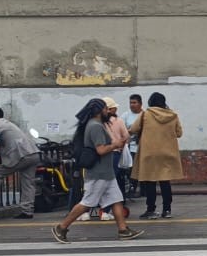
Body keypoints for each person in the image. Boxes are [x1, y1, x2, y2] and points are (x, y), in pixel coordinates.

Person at [52, 98, 143, 243]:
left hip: (106, 172)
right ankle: (61, 227)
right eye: (105, 109)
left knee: (116, 200)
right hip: (98, 173)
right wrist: (116, 144)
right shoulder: (95, 126)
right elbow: (100, 150)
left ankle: (123, 230)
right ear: (98, 111)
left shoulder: (96, 124)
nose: (108, 111)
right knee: (87, 203)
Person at [130, 92, 183, 219]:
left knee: (150, 182)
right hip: (167, 153)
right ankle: (167, 210)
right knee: (165, 182)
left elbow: (134, 129)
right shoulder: (173, 115)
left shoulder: (146, 114)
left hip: (149, 153)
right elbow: (179, 133)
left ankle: (151, 210)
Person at [0, 105, 41, 219]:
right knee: (28, 183)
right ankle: (27, 210)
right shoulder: (7, 123)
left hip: (20, 156)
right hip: (33, 153)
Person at [125, 93, 143, 197]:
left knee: (143, 169)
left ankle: (144, 190)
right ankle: (132, 188)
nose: (132, 105)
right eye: (130, 102)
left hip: (143, 147)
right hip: (131, 148)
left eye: (134, 102)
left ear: (140, 104)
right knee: (131, 170)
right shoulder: (126, 115)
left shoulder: (145, 115)